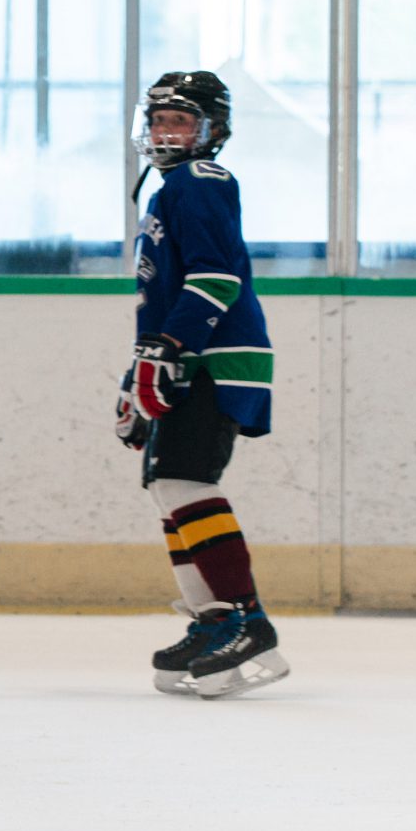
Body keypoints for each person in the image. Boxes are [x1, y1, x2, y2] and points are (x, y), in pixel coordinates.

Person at [117, 70, 288, 698]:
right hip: (187, 355)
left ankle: (247, 619)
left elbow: (216, 279)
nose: (165, 132)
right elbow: (163, 296)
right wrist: (139, 367)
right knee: (168, 487)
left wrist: (170, 350)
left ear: (212, 131)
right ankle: (212, 618)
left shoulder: (201, 181)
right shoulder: (167, 190)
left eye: (180, 121)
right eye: (159, 120)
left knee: (188, 481)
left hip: (216, 356)